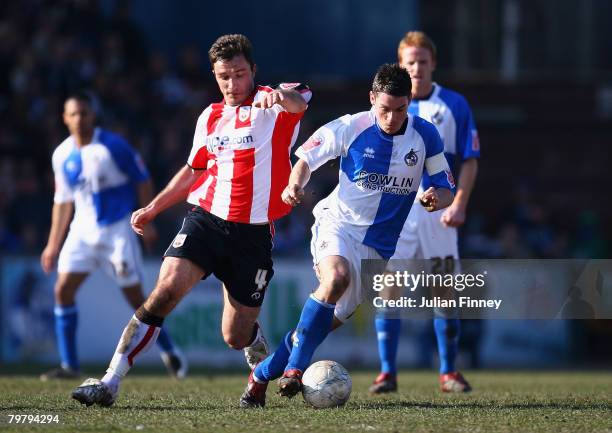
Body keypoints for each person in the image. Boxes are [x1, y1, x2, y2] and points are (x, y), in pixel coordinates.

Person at [71, 34, 311, 407]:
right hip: (206, 221)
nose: (232, 84)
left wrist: (280, 96)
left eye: (240, 74)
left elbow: (300, 102)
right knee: (165, 289)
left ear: (253, 71)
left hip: (253, 235)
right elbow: (193, 170)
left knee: (234, 335)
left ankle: (253, 340)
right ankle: (109, 381)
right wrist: (153, 208)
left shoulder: (273, 104)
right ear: (215, 76)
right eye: (224, 77)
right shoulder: (210, 116)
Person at [239, 63, 455, 408]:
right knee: (335, 277)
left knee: (312, 332)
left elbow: (446, 187)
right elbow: (307, 159)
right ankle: (295, 371)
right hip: (337, 224)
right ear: (372, 99)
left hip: (378, 250)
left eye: (400, 110)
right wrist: (294, 184)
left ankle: (261, 375)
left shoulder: (425, 135)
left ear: (409, 102)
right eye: (384, 109)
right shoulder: (351, 125)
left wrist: (436, 199)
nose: (392, 118)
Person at [40, 92, 186, 381]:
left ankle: (169, 349)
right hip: (81, 232)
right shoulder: (61, 154)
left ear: (93, 115)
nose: (80, 119)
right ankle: (69, 365)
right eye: (74, 114)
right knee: (62, 291)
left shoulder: (112, 146)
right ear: (65, 118)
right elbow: (62, 201)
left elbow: (142, 178)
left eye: (84, 113)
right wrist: (52, 244)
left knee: (137, 299)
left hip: (116, 232)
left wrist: (148, 217)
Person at [369, 31, 480, 395]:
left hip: (439, 215)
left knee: (444, 291)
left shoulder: (454, 105)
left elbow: (469, 159)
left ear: (433, 63)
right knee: (389, 289)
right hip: (397, 214)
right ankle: (387, 372)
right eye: (409, 62)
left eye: (422, 61)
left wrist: (459, 202)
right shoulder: (388, 106)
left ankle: (448, 372)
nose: (416, 68)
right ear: (400, 65)